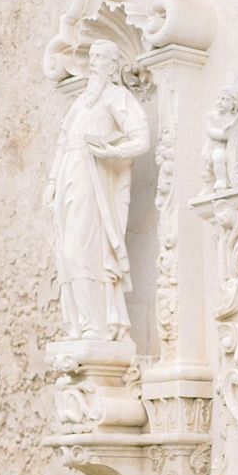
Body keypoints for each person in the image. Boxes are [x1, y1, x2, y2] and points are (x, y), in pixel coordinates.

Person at [44, 39, 149, 342]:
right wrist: (52, 183)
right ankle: (76, 324)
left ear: (113, 66)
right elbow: (63, 144)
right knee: (65, 249)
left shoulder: (117, 97)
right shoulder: (81, 102)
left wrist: (111, 152)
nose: (93, 62)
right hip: (68, 176)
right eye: (91, 56)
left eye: (101, 58)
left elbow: (141, 138)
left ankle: (97, 324)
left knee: (80, 247)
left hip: (92, 179)